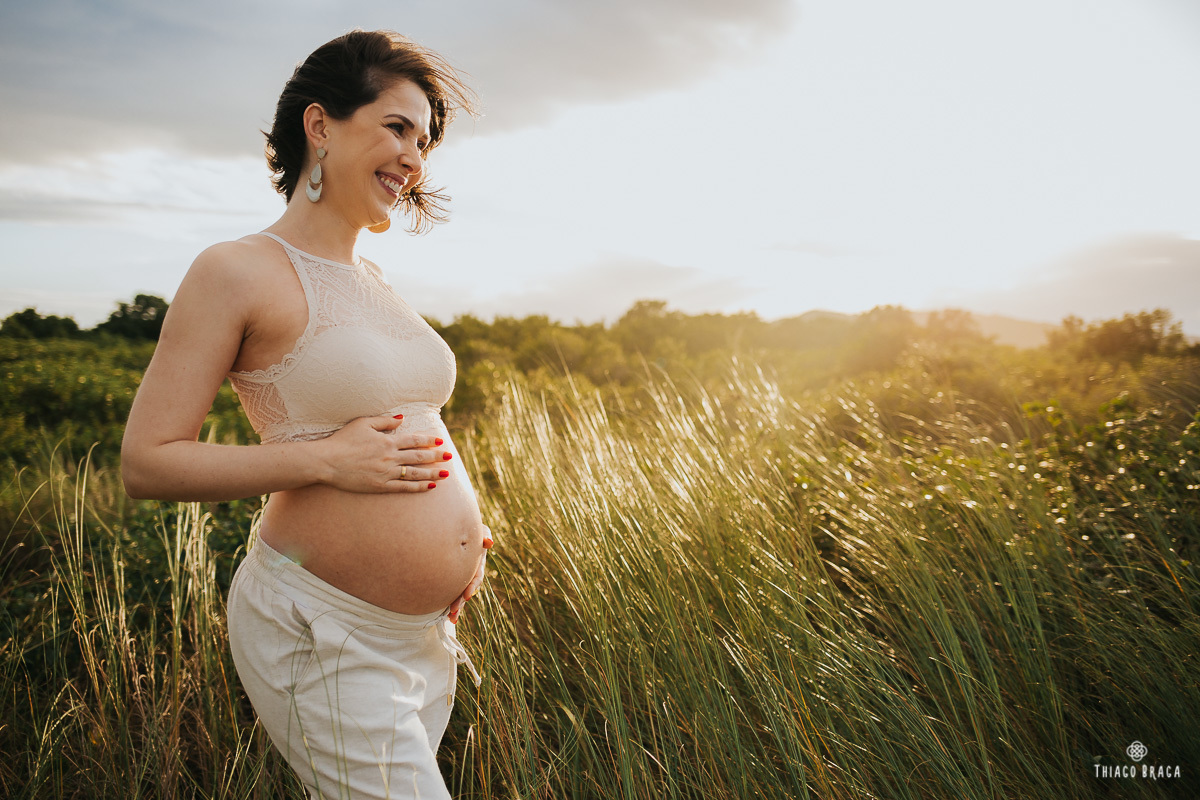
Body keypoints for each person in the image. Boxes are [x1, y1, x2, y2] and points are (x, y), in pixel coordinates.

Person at [120, 30, 488, 800]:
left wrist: (462, 539)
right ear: (320, 126)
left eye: (423, 140)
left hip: (419, 636)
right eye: (396, 127)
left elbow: (407, 420)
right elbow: (148, 460)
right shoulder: (235, 270)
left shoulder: (376, 278)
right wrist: (325, 460)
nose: (415, 157)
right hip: (319, 626)